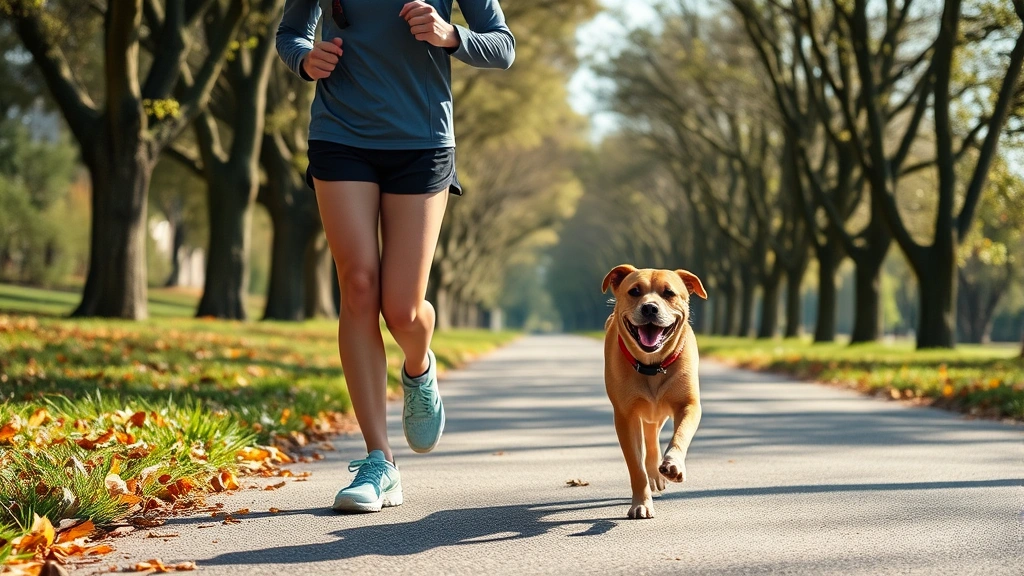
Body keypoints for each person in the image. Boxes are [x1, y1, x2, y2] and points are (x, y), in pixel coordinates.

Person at [275, 0, 514, 513]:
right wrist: (304, 59)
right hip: (340, 134)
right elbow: (290, 31)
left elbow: (503, 46)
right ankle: (378, 461)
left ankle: (418, 366)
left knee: (402, 310)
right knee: (358, 285)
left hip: (422, 141)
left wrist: (452, 35)